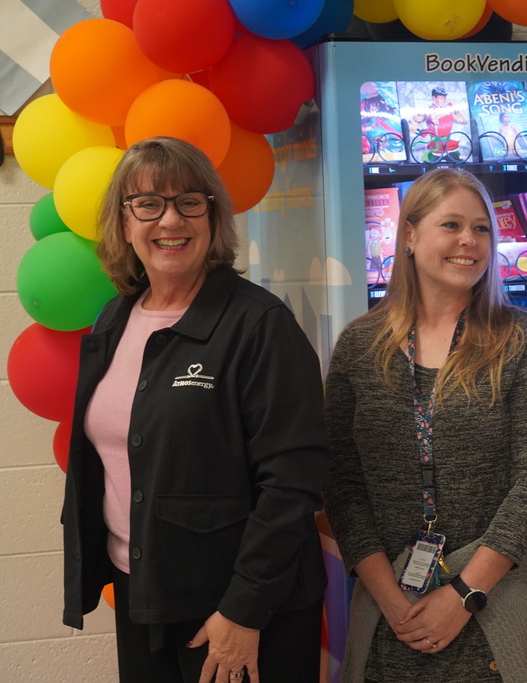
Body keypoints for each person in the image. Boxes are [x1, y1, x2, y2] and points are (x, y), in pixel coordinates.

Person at [61, 136, 329, 683]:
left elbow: (294, 480)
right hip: (143, 589)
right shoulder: (114, 319)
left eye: (189, 201)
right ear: (124, 220)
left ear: (212, 214)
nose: (169, 220)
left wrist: (243, 609)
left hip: (240, 605)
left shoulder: (258, 324)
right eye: (148, 204)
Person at [323, 168, 527, 682]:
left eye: (481, 229)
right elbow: (342, 486)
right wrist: (389, 598)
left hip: (498, 602)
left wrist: (463, 594)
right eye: (451, 225)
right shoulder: (359, 347)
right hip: (392, 609)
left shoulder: (520, 340)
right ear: (409, 235)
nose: (468, 241)